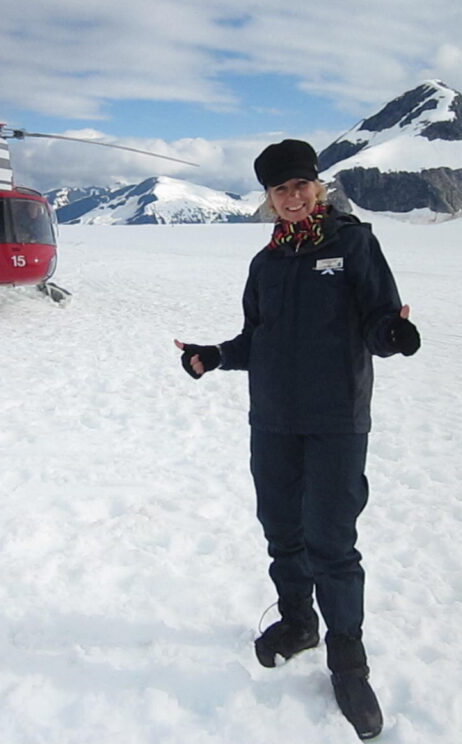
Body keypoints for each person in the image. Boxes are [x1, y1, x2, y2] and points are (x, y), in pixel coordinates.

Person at [174, 139, 420, 741]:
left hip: (336, 418)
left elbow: (377, 318)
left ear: (318, 187)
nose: (292, 197)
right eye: (280, 190)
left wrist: (393, 332)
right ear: (269, 198)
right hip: (274, 418)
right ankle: (297, 625)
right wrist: (216, 355)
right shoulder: (267, 263)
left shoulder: (353, 242)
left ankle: (349, 666)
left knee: (332, 543)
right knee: (283, 531)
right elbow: (257, 337)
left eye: (301, 186)